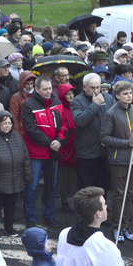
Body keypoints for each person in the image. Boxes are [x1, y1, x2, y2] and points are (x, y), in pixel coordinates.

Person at [99, 80, 133, 242]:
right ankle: (116, 227)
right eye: (125, 94)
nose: (129, 96)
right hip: (118, 160)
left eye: (130, 93)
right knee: (119, 194)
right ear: (117, 95)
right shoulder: (111, 113)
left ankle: (125, 226)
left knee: (130, 193)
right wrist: (128, 143)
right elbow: (104, 137)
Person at [22, 76, 68, 228]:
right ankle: (30, 218)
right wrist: (50, 143)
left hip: (52, 153)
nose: (48, 92)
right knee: (32, 186)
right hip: (36, 153)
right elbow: (30, 130)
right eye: (45, 89)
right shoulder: (29, 105)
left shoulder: (57, 103)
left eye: (50, 88)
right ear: (36, 89)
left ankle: (49, 215)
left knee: (51, 186)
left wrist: (59, 140)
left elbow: (63, 125)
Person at [70, 73, 114, 193]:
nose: (96, 91)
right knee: (87, 188)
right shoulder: (77, 101)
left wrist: (109, 138)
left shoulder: (108, 98)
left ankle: (101, 209)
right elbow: (80, 121)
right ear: (84, 87)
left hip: (104, 152)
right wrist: (95, 104)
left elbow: (113, 120)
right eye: (92, 88)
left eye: (98, 87)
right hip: (87, 153)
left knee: (104, 185)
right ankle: (87, 211)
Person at [57, 83, 78, 212]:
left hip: (75, 147)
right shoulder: (59, 109)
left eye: (72, 93)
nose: (70, 96)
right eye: (67, 94)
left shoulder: (75, 107)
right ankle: (63, 200)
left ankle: (74, 201)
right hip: (64, 147)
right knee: (63, 176)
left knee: (74, 177)